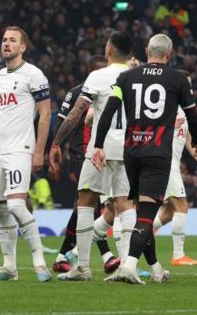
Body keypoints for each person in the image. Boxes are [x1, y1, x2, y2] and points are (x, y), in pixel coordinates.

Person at [92, 34, 197, 284]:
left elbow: (109, 112)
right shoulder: (177, 78)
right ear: (169, 55)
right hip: (157, 153)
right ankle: (129, 266)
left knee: (142, 211)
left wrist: (98, 145)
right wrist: (196, 140)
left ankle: (155, 268)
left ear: (146, 50)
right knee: (147, 214)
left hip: (132, 152)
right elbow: (192, 116)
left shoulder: (127, 76)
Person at [50, 32, 135, 282]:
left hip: (100, 149)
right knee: (125, 205)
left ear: (109, 50)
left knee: (86, 201)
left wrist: (56, 143)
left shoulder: (97, 76)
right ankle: (127, 267)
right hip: (129, 150)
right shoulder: (135, 76)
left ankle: (83, 268)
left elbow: (76, 113)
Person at [0, 26, 52, 282]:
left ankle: (40, 264)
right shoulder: (1, 76)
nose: (6, 44)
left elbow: (45, 113)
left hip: (20, 148)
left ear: (22, 47)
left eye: (12, 40)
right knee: (1, 208)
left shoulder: (34, 74)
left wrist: (39, 151)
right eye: (4, 39)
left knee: (16, 204)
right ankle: (9, 268)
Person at [152, 70, 197, 266]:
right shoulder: (166, 108)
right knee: (182, 206)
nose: (190, 88)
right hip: (165, 163)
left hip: (172, 164)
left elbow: (188, 141)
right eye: (186, 84)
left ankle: (141, 234)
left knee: (169, 212)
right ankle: (178, 256)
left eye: (190, 84)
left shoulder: (184, 111)